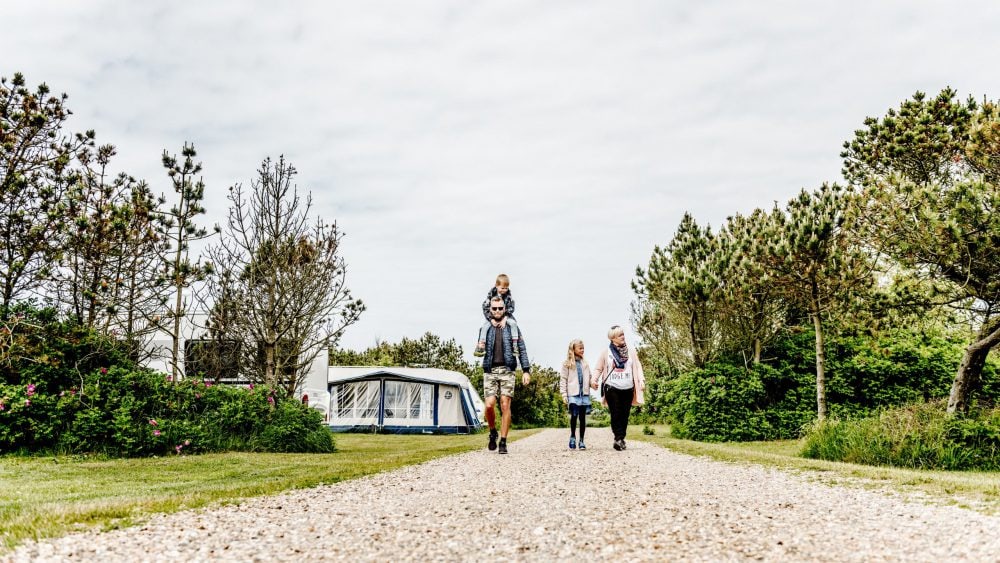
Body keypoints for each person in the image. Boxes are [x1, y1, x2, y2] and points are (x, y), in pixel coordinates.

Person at [481, 295, 530, 454]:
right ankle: (492, 431)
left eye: (500, 308)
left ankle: (503, 441)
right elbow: (480, 347)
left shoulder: (512, 327)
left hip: (508, 370)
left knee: (505, 404)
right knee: (489, 405)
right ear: (490, 310)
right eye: (494, 308)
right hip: (490, 370)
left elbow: (522, 349)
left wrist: (526, 370)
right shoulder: (486, 328)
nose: (497, 311)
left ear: (504, 309)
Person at [591, 325, 645, 451]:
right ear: (613, 338)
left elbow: (638, 366)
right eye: (620, 335)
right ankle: (618, 438)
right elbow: (598, 368)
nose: (623, 337)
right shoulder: (606, 352)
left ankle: (621, 438)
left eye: (623, 334)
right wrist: (594, 380)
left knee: (624, 415)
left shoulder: (631, 351)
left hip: (628, 388)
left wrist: (641, 380)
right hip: (611, 387)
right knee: (616, 413)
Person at [559, 339, 592, 450]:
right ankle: (572, 436)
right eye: (580, 348)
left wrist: (592, 384)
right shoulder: (567, 364)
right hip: (573, 394)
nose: (582, 350)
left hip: (584, 394)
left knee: (582, 417)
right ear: (573, 349)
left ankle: (581, 440)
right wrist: (564, 394)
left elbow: (589, 377)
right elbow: (563, 379)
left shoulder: (585, 363)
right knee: (574, 415)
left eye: (583, 348)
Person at [474, 273, 518, 357]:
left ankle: (515, 345)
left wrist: (505, 319)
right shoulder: (491, 295)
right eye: (502, 288)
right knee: (484, 327)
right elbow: (485, 307)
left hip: (506, 315)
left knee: (513, 323)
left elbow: (511, 307)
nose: (504, 290)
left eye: (506, 288)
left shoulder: (508, 296)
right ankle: (481, 345)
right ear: (496, 286)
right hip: (492, 316)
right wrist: (491, 319)